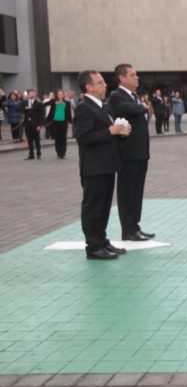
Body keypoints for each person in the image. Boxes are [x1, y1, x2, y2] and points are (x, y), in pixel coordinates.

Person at [73, 70, 130, 260]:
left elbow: (108, 133)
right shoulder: (84, 108)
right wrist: (110, 131)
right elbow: (83, 138)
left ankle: (102, 240)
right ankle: (93, 246)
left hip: (107, 165)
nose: (105, 86)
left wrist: (120, 132)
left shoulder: (102, 106)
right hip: (94, 167)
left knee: (104, 206)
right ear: (89, 87)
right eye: (100, 83)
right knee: (93, 207)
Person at [107, 63, 156, 242]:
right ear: (122, 78)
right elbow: (126, 109)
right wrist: (143, 107)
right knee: (127, 191)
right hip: (127, 152)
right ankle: (127, 229)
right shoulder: (117, 96)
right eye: (132, 75)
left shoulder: (134, 96)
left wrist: (143, 107)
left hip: (140, 151)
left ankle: (135, 226)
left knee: (137, 190)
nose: (137, 77)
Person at [46, 89, 72, 159]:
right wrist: (53, 102)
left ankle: (63, 152)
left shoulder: (67, 103)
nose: (60, 95)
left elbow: (69, 113)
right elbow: (45, 104)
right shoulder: (54, 102)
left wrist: (70, 122)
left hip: (63, 121)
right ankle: (58, 152)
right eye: (59, 94)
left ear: (63, 95)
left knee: (63, 137)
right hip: (55, 121)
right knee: (57, 137)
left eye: (61, 94)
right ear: (57, 95)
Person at [20, 89, 45, 160]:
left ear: (35, 94)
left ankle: (38, 153)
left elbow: (41, 115)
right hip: (27, 124)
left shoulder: (39, 103)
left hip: (36, 124)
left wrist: (40, 125)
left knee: (37, 140)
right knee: (29, 140)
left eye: (33, 93)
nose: (31, 94)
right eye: (30, 93)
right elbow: (19, 108)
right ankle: (31, 154)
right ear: (28, 95)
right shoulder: (25, 102)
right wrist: (25, 108)